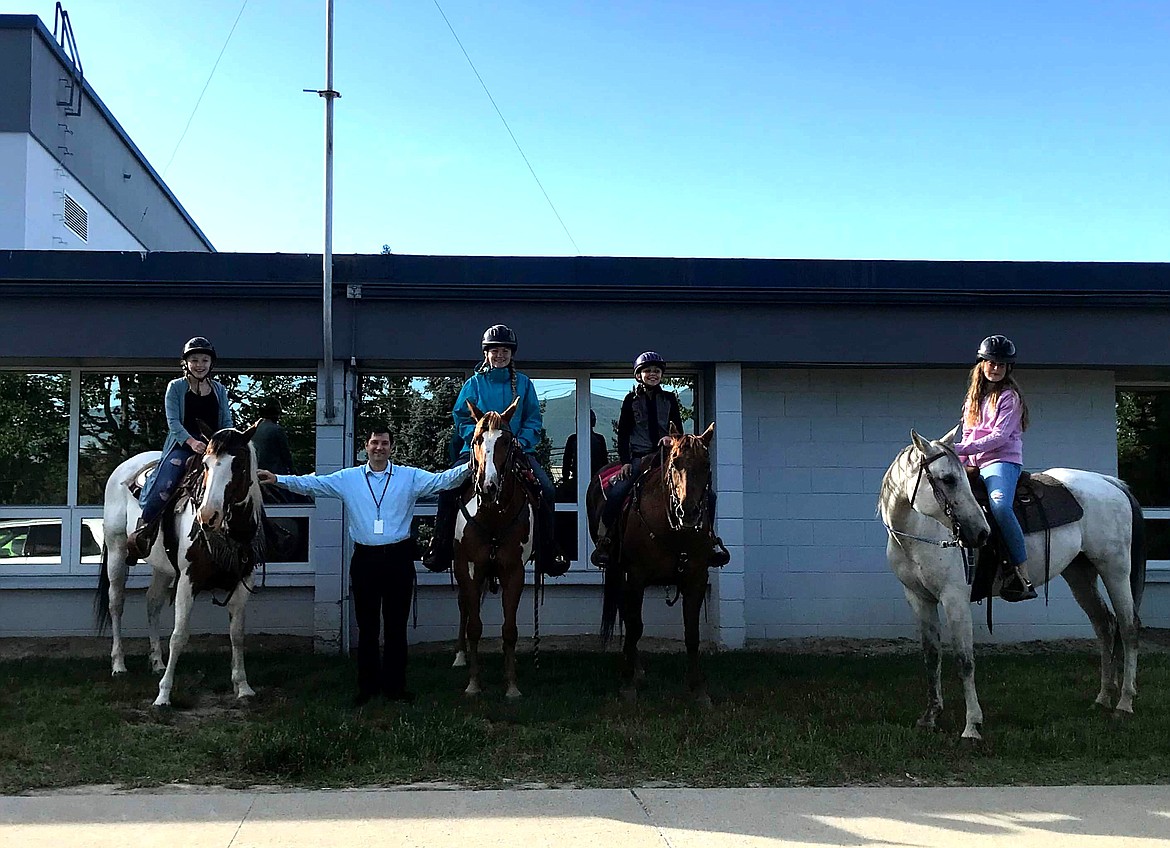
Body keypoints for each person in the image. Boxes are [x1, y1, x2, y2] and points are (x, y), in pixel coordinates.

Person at [258, 426, 470, 706]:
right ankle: (367, 688)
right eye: (374, 443)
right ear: (366, 447)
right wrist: (277, 479)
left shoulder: (409, 477)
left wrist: (475, 463)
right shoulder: (350, 478)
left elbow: (444, 481)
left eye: (384, 443)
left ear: (391, 447)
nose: (379, 447)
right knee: (367, 627)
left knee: (396, 627)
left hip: (398, 560)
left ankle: (395, 688)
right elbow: (313, 484)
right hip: (365, 561)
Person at [422, 324, 569, 576]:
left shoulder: (523, 384)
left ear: (512, 354)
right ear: (486, 353)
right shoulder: (474, 384)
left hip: (516, 450)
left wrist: (522, 439)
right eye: (494, 350)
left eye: (505, 351)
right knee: (447, 490)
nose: (500, 355)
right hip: (477, 451)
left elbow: (533, 417)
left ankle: (548, 550)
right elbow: (461, 418)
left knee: (546, 489)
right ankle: (440, 546)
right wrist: (479, 439)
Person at [590, 352, 730, 569]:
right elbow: (624, 433)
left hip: (666, 457)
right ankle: (606, 541)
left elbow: (680, 434)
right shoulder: (630, 401)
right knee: (618, 493)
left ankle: (710, 540)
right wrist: (626, 461)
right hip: (640, 457)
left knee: (708, 495)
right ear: (639, 375)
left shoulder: (670, 399)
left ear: (661, 375)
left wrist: (672, 440)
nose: (652, 374)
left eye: (656, 371)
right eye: (647, 371)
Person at [126, 337, 233, 559]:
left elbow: (226, 421)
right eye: (194, 360)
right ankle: (144, 529)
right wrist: (192, 442)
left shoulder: (220, 389)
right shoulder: (175, 387)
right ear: (186, 363)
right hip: (183, 444)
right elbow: (173, 422)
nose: (200, 364)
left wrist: (229, 440)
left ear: (211, 363)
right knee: (166, 482)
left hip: (214, 447)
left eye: (204, 359)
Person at [954, 334, 1037, 602]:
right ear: (982, 364)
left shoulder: (1010, 398)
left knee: (1000, 506)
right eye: (991, 363)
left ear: (1008, 368)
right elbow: (967, 435)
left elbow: (999, 438)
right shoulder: (972, 400)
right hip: (974, 462)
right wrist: (961, 460)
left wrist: (959, 450)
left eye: (1002, 364)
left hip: (1001, 462)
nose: (996, 368)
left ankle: (1022, 573)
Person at [559, 409, 609, 496]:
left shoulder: (574, 439)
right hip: (593, 479)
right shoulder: (598, 439)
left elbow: (566, 462)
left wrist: (565, 478)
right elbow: (605, 461)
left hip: (592, 479)